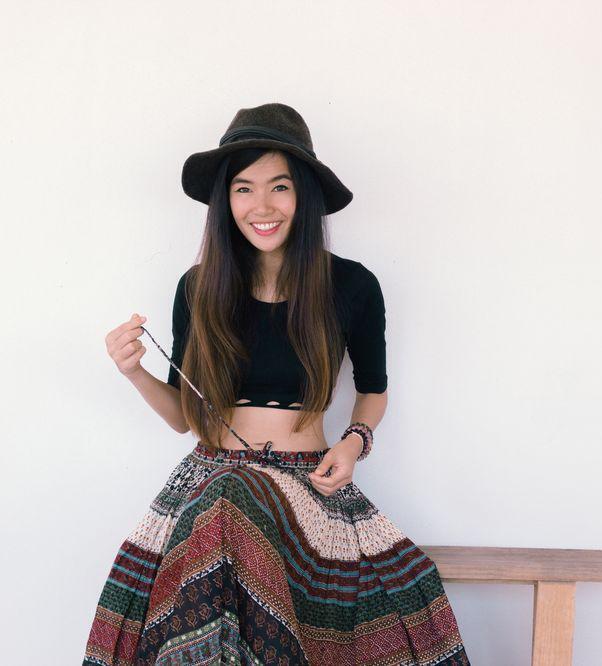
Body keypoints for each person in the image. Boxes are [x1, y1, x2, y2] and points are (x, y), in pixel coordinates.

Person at [83, 102, 471, 665]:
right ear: (225, 202)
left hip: (307, 487)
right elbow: (182, 417)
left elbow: (374, 388)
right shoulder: (197, 288)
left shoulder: (352, 286)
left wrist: (354, 442)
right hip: (210, 480)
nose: (260, 206)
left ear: (304, 196)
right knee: (226, 500)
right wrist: (133, 370)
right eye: (243, 189)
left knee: (236, 509)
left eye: (279, 187)